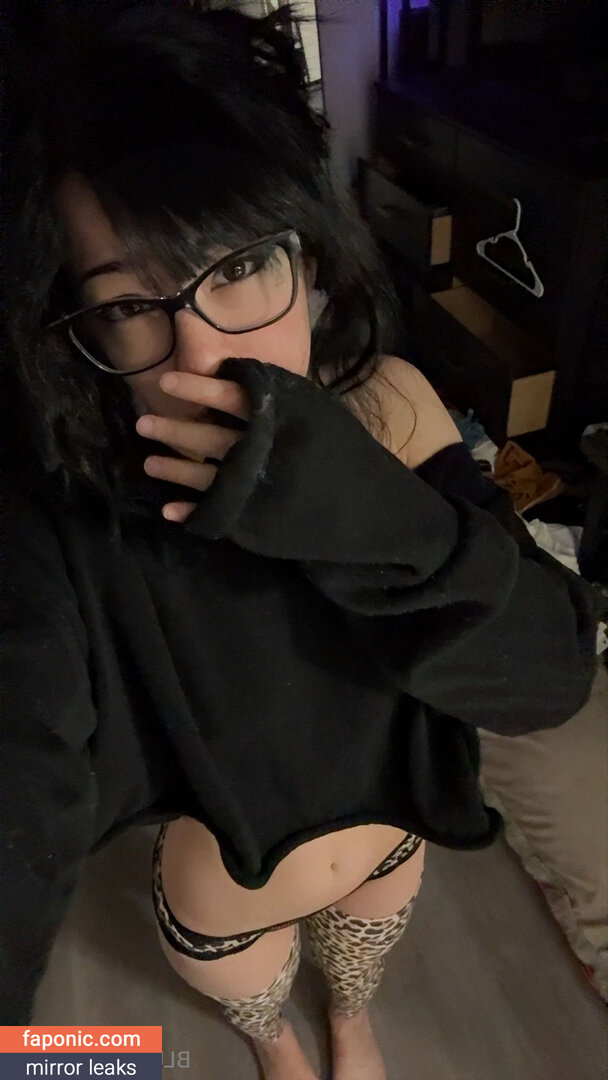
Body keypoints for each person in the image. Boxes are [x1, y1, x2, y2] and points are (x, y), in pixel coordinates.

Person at [1, 3, 599, 1078]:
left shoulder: (391, 407)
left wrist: (368, 514)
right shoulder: (69, 509)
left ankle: (350, 1020)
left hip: (389, 854)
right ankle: (277, 1042)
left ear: (310, 260)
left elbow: (547, 675)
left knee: (355, 982)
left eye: (236, 268)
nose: (202, 358)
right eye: (130, 306)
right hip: (225, 903)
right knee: (263, 1013)